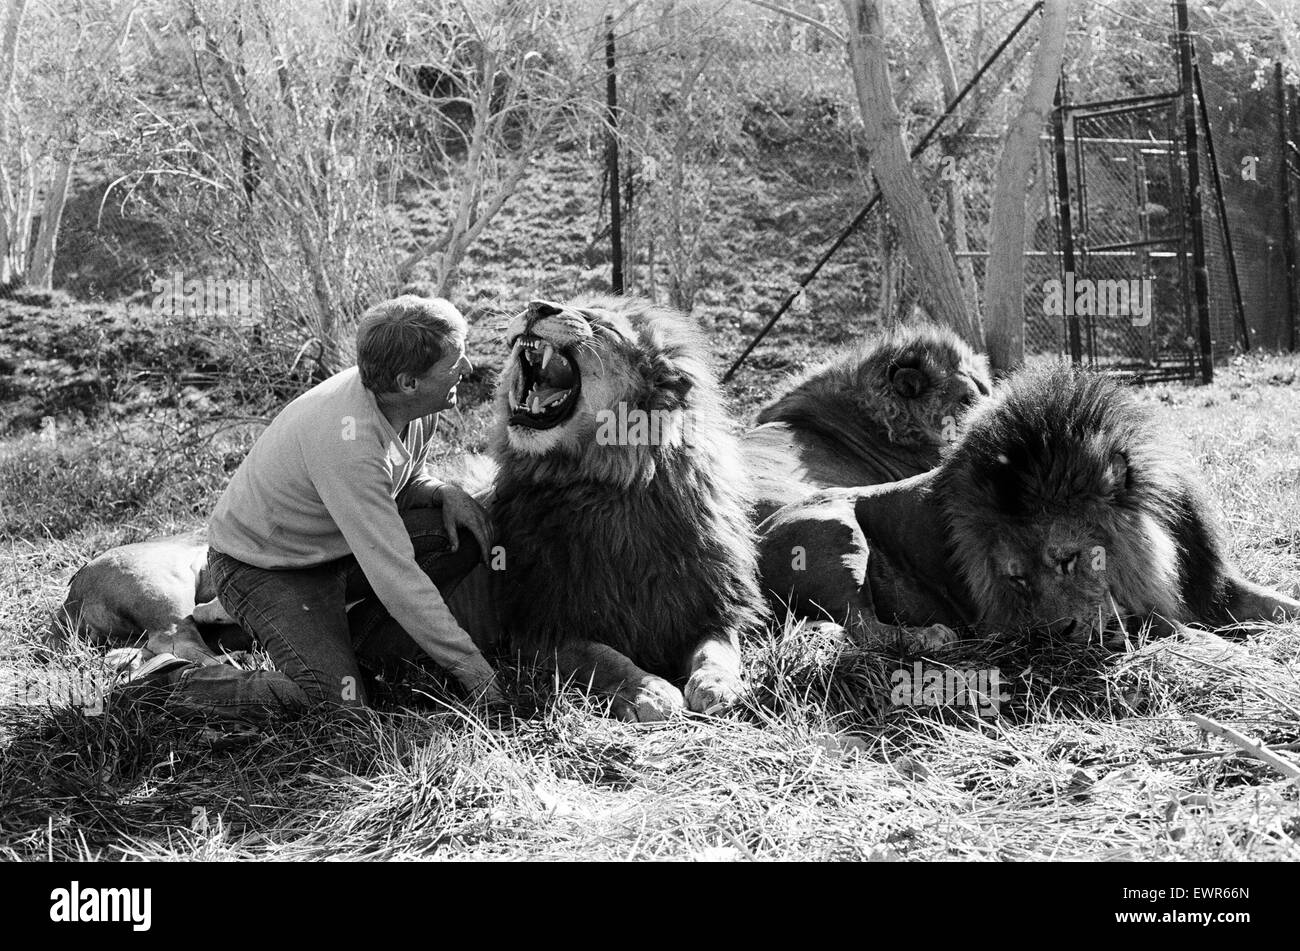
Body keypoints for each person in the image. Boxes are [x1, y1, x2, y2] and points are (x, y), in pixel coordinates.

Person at [127, 291, 502, 719]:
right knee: (336, 702)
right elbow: (394, 574)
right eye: (454, 364)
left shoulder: (417, 403)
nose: (467, 369)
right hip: (265, 570)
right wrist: (473, 671)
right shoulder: (349, 442)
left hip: (333, 550)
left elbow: (400, 477)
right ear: (408, 383)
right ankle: (169, 682)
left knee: (459, 536)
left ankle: (351, 652)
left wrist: (440, 491)